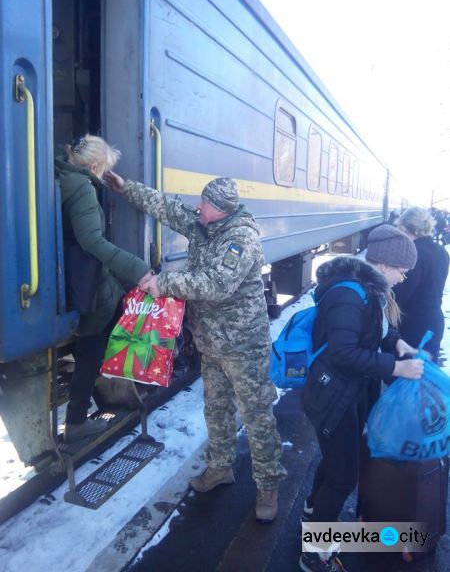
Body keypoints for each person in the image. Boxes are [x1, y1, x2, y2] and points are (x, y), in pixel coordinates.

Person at [103, 170, 287, 522]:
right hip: (212, 340)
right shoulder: (205, 223)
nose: (198, 207)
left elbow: (217, 284)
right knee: (215, 407)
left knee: (256, 414)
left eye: (204, 203)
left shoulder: (240, 238)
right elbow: (167, 209)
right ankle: (220, 467)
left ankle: (268, 486)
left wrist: (164, 283)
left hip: (243, 344)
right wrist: (126, 187)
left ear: (219, 209)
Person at [300, 225, 423, 572]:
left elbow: (373, 331)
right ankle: (313, 555)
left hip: (349, 392)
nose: (405, 277)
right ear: (385, 264)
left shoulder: (370, 291)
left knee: (339, 460)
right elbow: (345, 353)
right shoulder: (349, 294)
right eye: (403, 270)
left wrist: (396, 342)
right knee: (343, 476)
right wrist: (397, 369)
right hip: (333, 395)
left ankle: (313, 511)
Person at [55, 135, 150, 442]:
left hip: (76, 276)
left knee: (116, 312)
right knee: (93, 347)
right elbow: (92, 242)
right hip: (87, 281)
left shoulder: (61, 174)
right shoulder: (83, 188)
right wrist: (138, 270)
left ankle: (110, 383)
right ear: (95, 165)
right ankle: (77, 421)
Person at [394, 207, 449, 362]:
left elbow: (402, 293)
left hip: (413, 326)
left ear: (404, 228)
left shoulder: (412, 252)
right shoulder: (441, 251)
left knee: (406, 380)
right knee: (425, 380)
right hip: (434, 322)